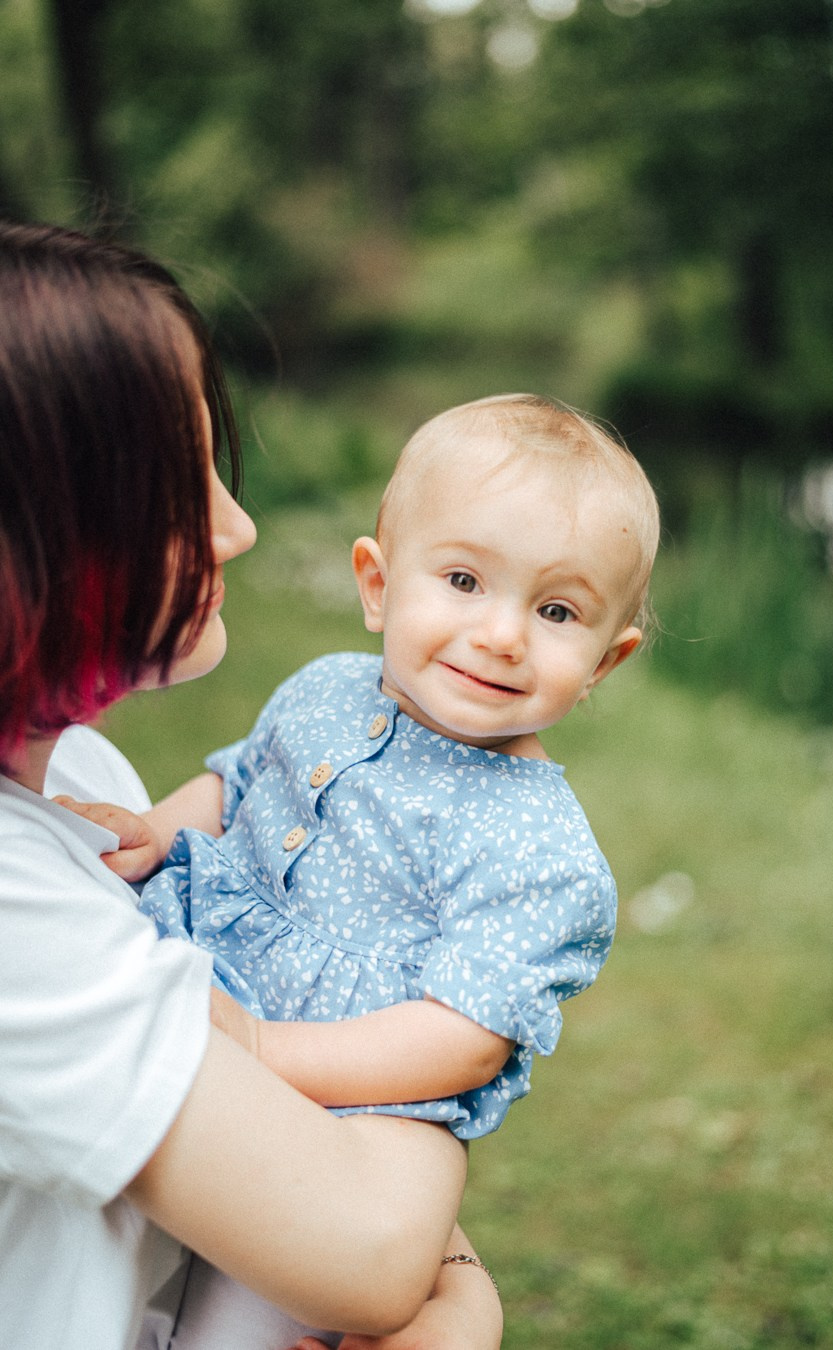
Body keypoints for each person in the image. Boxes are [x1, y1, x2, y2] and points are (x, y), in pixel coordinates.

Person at [0, 219, 502, 1350]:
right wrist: (464, 1040)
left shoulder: (81, 772)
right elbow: (369, 1256)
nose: (239, 525)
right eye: (173, 483)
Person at [66, 393, 660, 1348]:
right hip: (223, 1000)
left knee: (250, 1316)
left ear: (605, 659)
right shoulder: (325, 690)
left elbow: (461, 1041)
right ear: (378, 583)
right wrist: (149, 829)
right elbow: (237, 788)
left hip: (363, 1098)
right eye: (464, 580)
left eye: (555, 610)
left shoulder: (541, 853)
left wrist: (264, 1056)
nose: (502, 633)